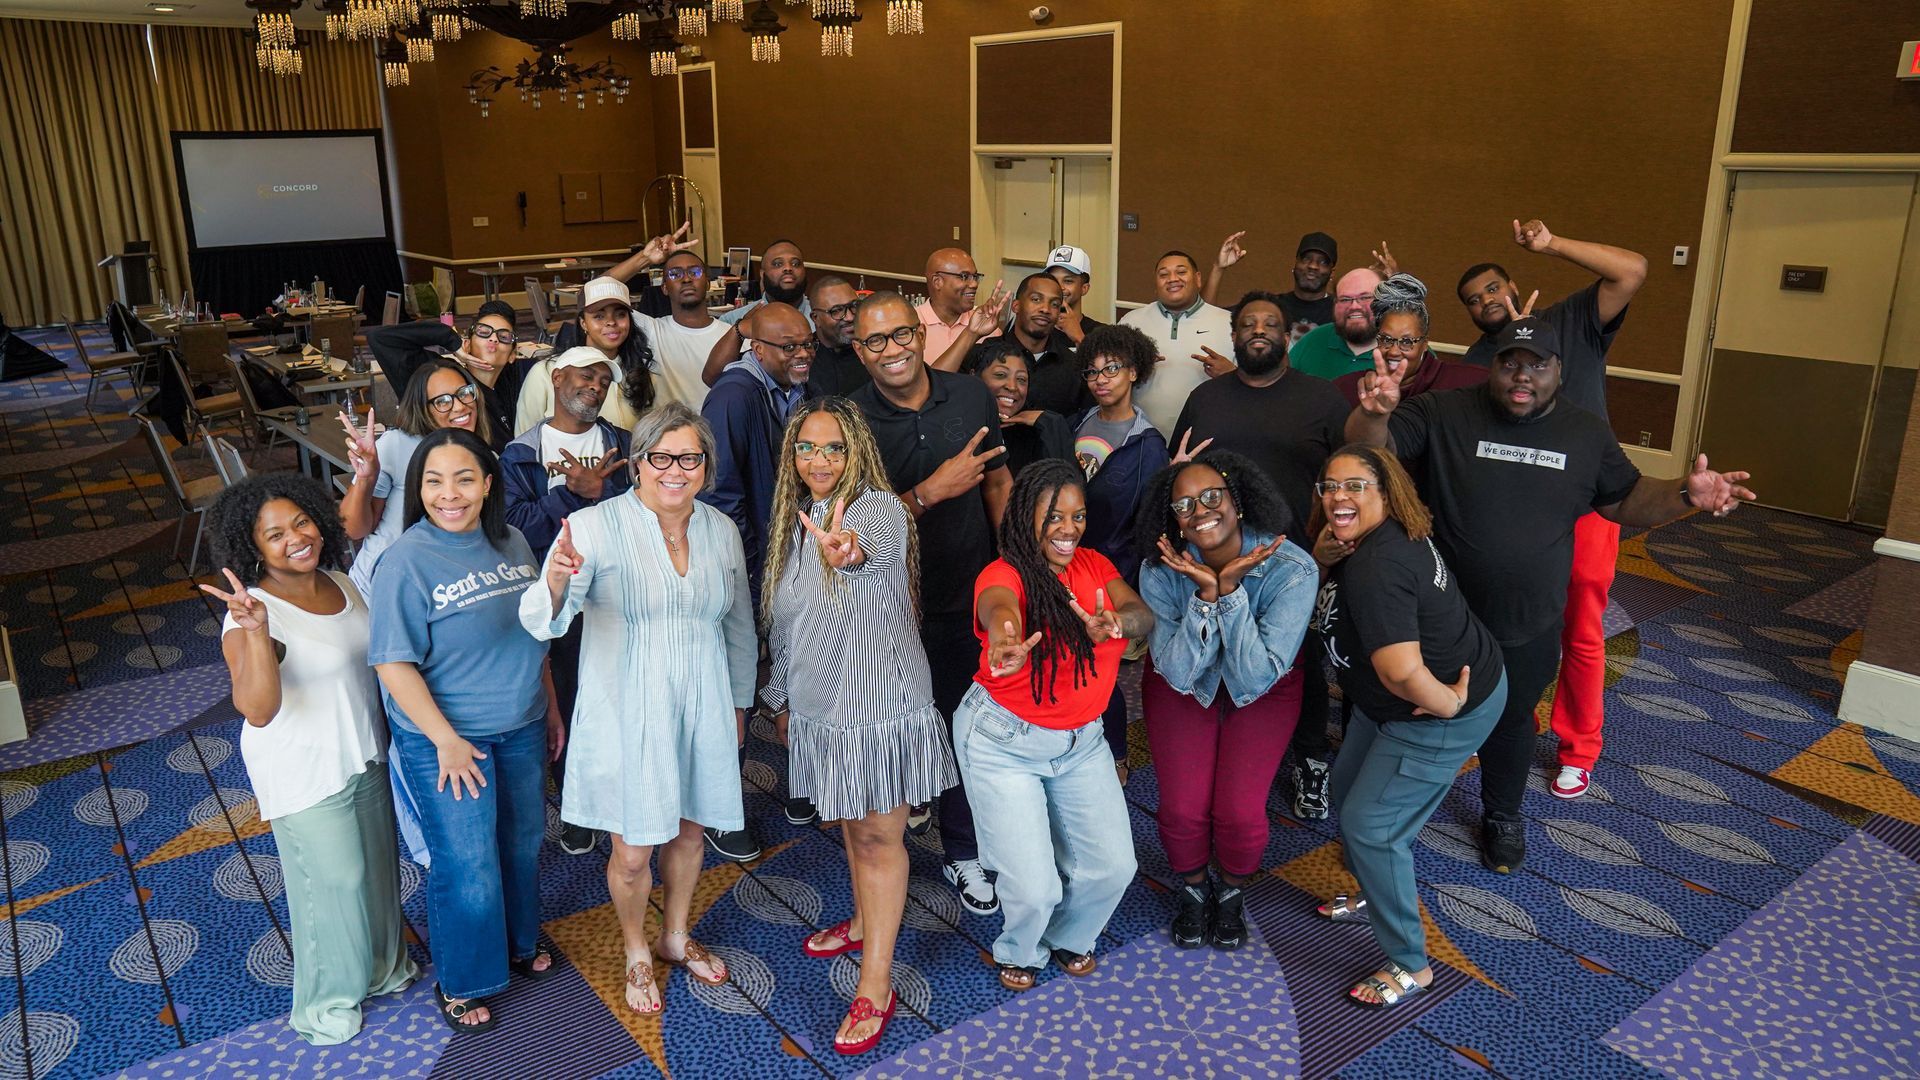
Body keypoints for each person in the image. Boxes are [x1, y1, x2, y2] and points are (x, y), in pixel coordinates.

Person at [1347, 315, 1755, 872]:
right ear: (1494, 366)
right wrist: (1375, 413)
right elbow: (1374, 452)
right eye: (1511, 362)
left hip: (1527, 620)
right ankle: (1390, 825)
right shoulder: (1445, 411)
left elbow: (1626, 500)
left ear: (1559, 371)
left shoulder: (1585, 433)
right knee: (1414, 715)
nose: (1523, 376)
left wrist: (1685, 493)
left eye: (1538, 364)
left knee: (1513, 721)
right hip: (1443, 615)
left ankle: (1502, 816)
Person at [520, 402, 755, 1015]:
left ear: (706, 466)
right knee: (631, 850)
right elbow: (545, 620)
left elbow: (738, 627)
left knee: (691, 828)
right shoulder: (593, 527)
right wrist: (555, 581)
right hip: (628, 708)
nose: (674, 470)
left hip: (703, 701)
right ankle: (634, 949)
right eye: (660, 457)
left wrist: (738, 703)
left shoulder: (720, 530)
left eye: (690, 458)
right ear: (639, 462)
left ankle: (675, 936)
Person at [762, 398, 959, 1056]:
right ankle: (864, 919)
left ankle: (875, 984)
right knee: (851, 826)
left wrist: (848, 553)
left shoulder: (876, 510)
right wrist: (781, 698)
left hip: (878, 710)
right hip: (823, 710)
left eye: (834, 448)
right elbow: (789, 622)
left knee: (877, 839)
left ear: (857, 455)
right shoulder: (799, 520)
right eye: (808, 448)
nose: (820, 461)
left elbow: (865, 554)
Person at [200, 474, 419, 1044]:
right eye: (275, 534)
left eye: (301, 522)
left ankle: (382, 968)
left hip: (363, 749)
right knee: (333, 883)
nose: (296, 538)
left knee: (375, 871)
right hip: (303, 765)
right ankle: (325, 1003)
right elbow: (258, 708)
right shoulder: (251, 611)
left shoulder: (343, 582)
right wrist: (254, 633)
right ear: (253, 548)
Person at [368, 428, 557, 1032]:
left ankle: (520, 941)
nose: (449, 494)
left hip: (522, 720)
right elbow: (392, 663)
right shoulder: (407, 560)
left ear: (489, 484)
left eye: (465, 478)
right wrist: (445, 740)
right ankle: (465, 977)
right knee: (466, 860)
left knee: (522, 842)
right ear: (417, 489)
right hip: (447, 738)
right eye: (433, 481)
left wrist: (550, 707)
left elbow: (538, 630)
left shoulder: (515, 542)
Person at [1307, 445, 1508, 1009]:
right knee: (1347, 790)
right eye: (1329, 485)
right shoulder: (1382, 536)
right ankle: (1375, 888)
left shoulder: (1379, 566)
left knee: (1371, 826)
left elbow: (1400, 670)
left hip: (1434, 711)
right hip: (1397, 703)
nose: (1337, 497)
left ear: (1385, 491)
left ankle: (1410, 964)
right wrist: (1325, 555)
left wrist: (1446, 705)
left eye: (1354, 486)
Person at [1456, 219, 1649, 801]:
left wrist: (1553, 244)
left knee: (1581, 628)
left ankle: (1579, 747)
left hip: (1588, 503)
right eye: (1472, 300)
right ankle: (1508, 721)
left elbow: (1633, 269)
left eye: (1492, 288)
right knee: (1503, 624)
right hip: (1515, 509)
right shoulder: (1479, 357)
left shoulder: (1572, 321)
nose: (1486, 301)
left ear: (1512, 283)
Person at [850, 291, 1012, 916]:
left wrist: (1013, 563)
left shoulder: (969, 394)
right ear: (858, 352)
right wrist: (926, 493)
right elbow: (848, 527)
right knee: (896, 733)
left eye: (899, 335)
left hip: (968, 592)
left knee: (967, 727)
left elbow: (997, 479)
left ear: (920, 333)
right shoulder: (847, 419)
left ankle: (963, 849)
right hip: (884, 609)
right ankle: (892, 841)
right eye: (875, 342)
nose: (891, 350)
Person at [961, 459, 1151, 991]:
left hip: (1083, 742)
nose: (1069, 529)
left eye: (1078, 515)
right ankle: (1019, 948)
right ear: (1025, 519)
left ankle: (1069, 938)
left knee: (1113, 867)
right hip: (1003, 742)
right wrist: (1005, 640)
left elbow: (1142, 615)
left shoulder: (1095, 566)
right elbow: (1000, 609)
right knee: (1034, 886)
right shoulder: (1004, 573)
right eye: (1053, 517)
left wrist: (1118, 622)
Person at [1170, 290, 1349, 819]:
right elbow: (1179, 470)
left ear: (1287, 333)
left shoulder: (1321, 400)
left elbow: (1347, 477)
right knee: (1218, 650)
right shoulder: (1208, 399)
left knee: (1302, 661)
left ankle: (1310, 758)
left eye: (1269, 323)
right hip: (1214, 555)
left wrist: (1327, 545)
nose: (1257, 330)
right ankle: (1224, 751)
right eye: (1247, 323)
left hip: (1294, 559)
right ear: (1234, 336)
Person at [1136, 450, 1314, 951]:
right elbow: (1177, 669)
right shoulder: (1160, 568)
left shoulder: (1292, 568)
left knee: (1238, 811)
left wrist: (1230, 591)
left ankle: (1231, 890)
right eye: (1184, 504)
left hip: (1266, 687)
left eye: (1212, 496)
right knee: (1183, 806)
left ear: (1237, 500)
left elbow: (1254, 675)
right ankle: (1194, 890)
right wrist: (1205, 597)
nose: (1200, 510)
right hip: (1183, 682)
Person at [500, 345, 634, 856]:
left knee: (619, 694)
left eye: (604, 380)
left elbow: (644, 509)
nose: (596, 386)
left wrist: (602, 491)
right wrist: (576, 494)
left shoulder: (625, 445)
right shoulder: (521, 453)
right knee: (570, 699)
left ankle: (623, 788)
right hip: (555, 594)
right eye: (586, 375)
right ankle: (577, 805)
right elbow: (518, 528)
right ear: (557, 379)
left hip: (618, 590)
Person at [1073, 324, 1169, 777]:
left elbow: (1147, 523)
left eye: (1111, 368)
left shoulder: (1146, 442)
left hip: (1113, 571)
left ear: (1133, 371)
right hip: (1070, 560)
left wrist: (1129, 584)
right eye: (1092, 372)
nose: (1101, 379)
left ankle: (1115, 751)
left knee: (1104, 672)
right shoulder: (1082, 420)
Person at [340, 356, 496, 596]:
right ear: (423, 409)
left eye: (464, 393)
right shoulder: (397, 444)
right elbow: (354, 530)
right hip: (383, 587)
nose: (460, 406)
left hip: (446, 589)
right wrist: (365, 478)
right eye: (442, 401)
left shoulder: (486, 456)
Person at [701, 301, 819, 605]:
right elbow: (718, 492)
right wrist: (753, 566)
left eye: (808, 344)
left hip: (791, 550)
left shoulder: (797, 386)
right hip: (755, 564)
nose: (803, 353)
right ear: (759, 350)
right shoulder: (733, 396)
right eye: (789, 347)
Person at [516, 276, 659, 434]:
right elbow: (524, 439)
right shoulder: (546, 371)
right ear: (583, 323)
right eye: (599, 316)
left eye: (620, 315)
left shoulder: (641, 372)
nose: (611, 322)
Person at [370, 301, 523, 443]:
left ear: (512, 355)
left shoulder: (512, 384)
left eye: (504, 337)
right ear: (467, 345)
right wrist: (451, 340)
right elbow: (381, 339)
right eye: (483, 332)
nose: (494, 339)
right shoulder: (441, 377)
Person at [1119, 250, 1232, 435]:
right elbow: (1109, 379)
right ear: (1156, 284)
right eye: (1163, 274)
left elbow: (1255, 384)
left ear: (1197, 279)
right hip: (1140, 440)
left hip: (1208, 439)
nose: (1172, 279)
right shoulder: (1130, 322)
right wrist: (1132, 369)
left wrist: (1231, 374)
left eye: (1181, 272)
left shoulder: (1229, 323)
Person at [1332, 275, 1484, 408]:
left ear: (1425, 344)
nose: (1393, 351)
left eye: (1406, 341)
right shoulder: (1350, 388)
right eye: (1386, 340)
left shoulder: (1464, 383)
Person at [959, 273, 1089, 416]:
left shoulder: (1072, 365)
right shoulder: (984, 353)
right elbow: (938, 390)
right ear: (1016, 306)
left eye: (1054, 304)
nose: (1045, 309)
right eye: (1036, 299)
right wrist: (971, 333)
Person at [966, 338, 1073, 479]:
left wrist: (1051, 423)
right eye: (1000, 375)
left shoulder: (1034, 434)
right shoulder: (957, 426)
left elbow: (1067, 487)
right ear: (974, 377)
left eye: (1021, 379)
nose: (1012, 386)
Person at [1203, 231, 1339, 341]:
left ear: (1331, 272)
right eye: (1306, 259)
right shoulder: (1271, 305)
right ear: (1295, 264)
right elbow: (1205, 318)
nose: (1313, 266)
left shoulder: (1342, 310)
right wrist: (1218, 268)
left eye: (1322, 262)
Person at [1288, 268, 1384, 380]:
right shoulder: (1314, 340)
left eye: (1365, 297)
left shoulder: (1401, 349)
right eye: (1345, 299)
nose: (1354, 306)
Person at [917, 247, 987, 364]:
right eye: (964, 276)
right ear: (937, 282)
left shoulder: (984, 324)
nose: (974, 284)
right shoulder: (911, 325)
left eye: (975, 277)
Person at [1044, 245, 1104, 345]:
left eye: (1068, 281)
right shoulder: (1035, 326)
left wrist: (1079, 337)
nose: (1059, 287)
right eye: (1053, 279)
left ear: (1084, 288)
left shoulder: (1101, 334)